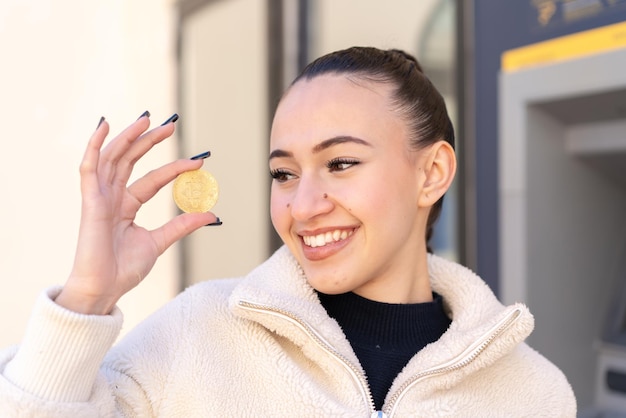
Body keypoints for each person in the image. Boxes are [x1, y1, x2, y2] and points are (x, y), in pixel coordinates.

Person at [0, 47, 576, 417]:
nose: (303, 205)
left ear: (432, 173)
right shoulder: (196, 336)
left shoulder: (534, 394)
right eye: (283, 173)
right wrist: (86, 296)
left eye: (342, 163)